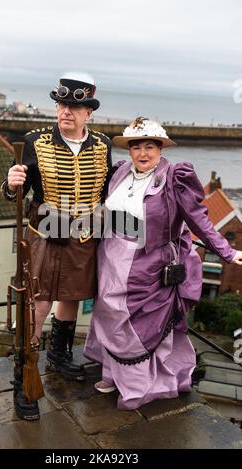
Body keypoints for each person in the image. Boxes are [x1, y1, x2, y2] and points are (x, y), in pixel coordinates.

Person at [84, 117, 242, 410]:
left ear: (160, 149)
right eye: (136, 147)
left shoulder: (174, 179)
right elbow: (103, 214)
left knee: (139, 325)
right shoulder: (119, 173)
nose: (143, 154)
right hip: (111, 257)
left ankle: (136, 385)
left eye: (149, 147)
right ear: (128, 150)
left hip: (149, 265)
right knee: (109, 315)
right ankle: (113, 374)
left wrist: (227, 251)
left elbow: (199, 219)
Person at [1, 72, 112, 419]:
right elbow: (14, 192)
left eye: (76, 106)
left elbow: (109, 191)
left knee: (71, 297)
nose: (67, 111)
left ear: (88, 113)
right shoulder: (35, 142)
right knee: (38, 303)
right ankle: (24, 376)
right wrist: (10, 182)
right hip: (45, 236)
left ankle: (59, 355)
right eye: (63, 104)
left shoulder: (103, 145)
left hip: (83, 237)